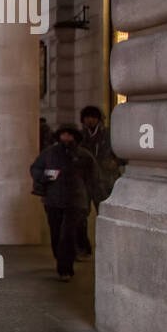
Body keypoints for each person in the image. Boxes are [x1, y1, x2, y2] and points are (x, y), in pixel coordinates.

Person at [30, 124, 98, 282]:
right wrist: (45, 177)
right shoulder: (50, 153)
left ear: (75, 137)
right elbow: (35, 168)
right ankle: (62, 258)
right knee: (55, 234)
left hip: (76, 202)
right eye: (64, 135)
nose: (66, 138)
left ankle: (65, 268)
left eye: (70, 135)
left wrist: (90, 197)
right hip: (53, 200)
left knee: (67, 234)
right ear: (59, 136)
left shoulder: (84, 156)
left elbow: (93, 178)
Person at [76, 105, 120, 259]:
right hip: (85, 181)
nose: (90, 120)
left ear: (99, 119)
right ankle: (83, 248)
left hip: (104, 179)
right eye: (87, 117)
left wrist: (116, 161)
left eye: (93, 117)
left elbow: (120, 152)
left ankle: (110, 246)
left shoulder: (108, 135)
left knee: (106, 213)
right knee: (80, 214)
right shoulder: (80, 136)